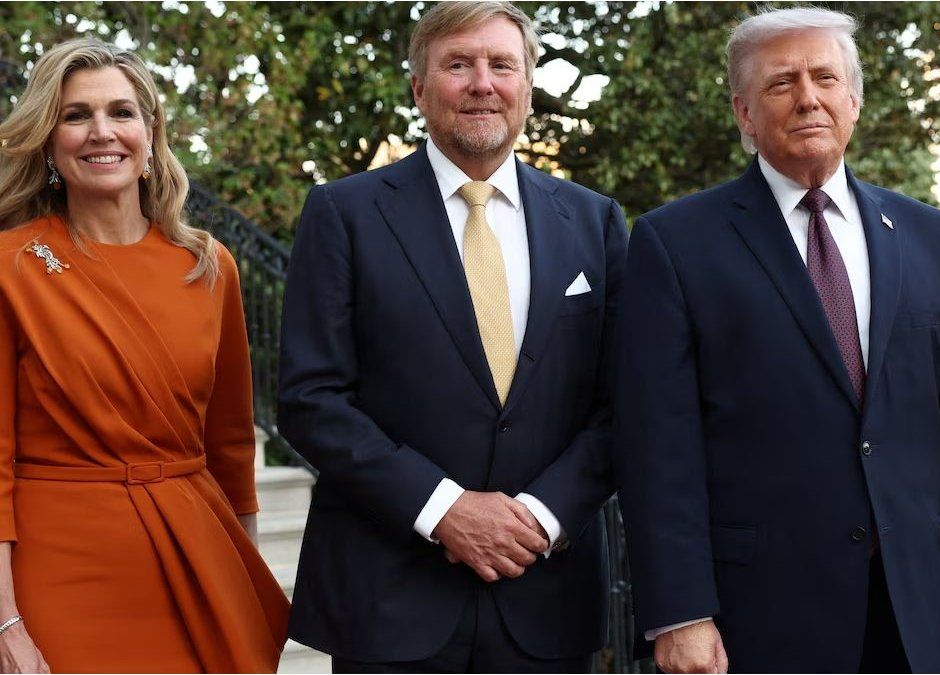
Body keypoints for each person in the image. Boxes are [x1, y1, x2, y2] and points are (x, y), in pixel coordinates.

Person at [614, 7, 940, 673]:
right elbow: (658, 445)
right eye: (781, 82)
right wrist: (680, 611)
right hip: (758, 614)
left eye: (825, 78)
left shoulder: (932, 236)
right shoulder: (675, 243)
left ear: (853, 100)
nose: (808, 97)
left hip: (917, 606)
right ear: (744, 113)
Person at [277, 2, 627, 672]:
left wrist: (542, 515)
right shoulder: (343, 214)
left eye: (502, 65)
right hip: (390, 595)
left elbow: (626, 402)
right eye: (458, 65)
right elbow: (310, 398)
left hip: (545, 595)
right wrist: (443, 509)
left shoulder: (595, 222)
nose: (482, 83)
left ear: (528, 86)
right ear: (419, 88)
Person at [0, 38, 288, 673]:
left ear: (151, 134)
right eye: (76, 116)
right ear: (48, 142)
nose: (101, 132)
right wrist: (5, 622)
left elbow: (231, 445)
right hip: (60, 569)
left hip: (195, 550)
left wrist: (243, 575)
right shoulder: (9, 266)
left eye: (121, 112)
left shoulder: (209, 265)